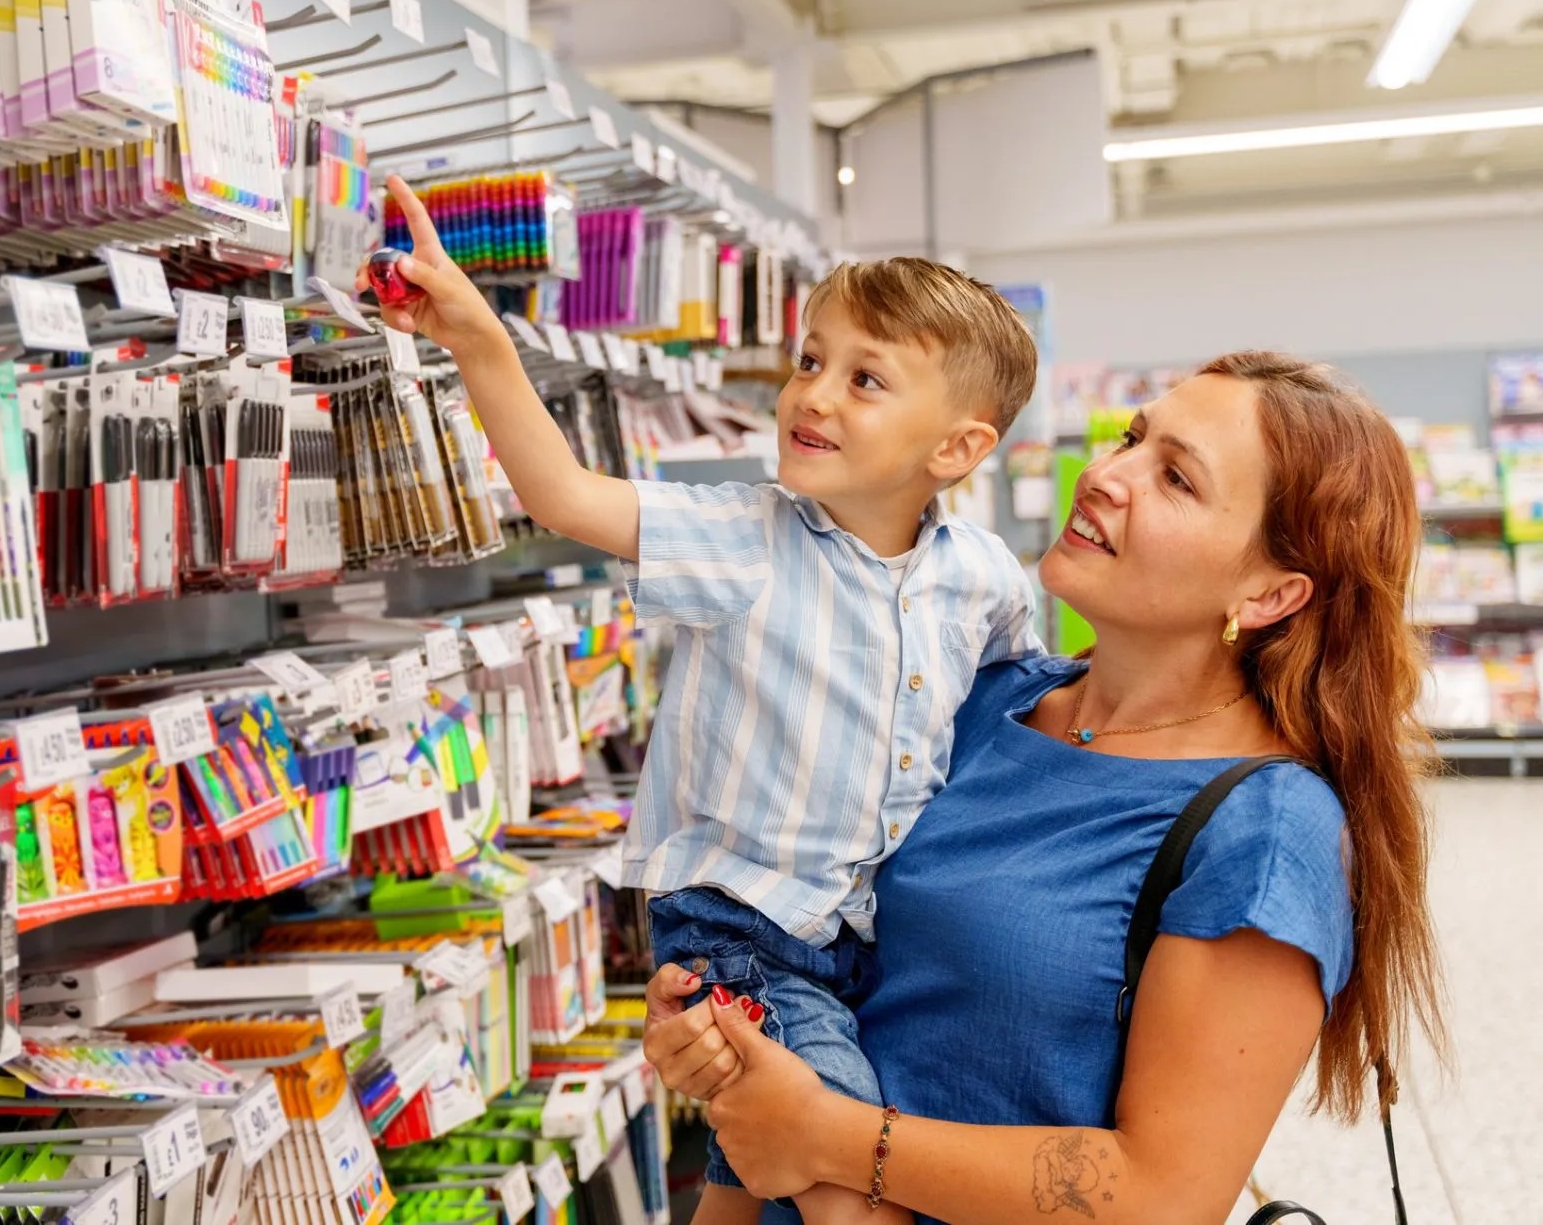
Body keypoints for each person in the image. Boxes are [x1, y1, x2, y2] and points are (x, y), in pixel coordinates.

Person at [361, 176, 1042, 1225]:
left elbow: (1014, 716)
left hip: (871, 931)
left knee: (742, 1176)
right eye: (809, 360)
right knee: (848, 1177)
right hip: (741, 932)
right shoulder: (744, 539)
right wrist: (480, 343)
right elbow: (563, 494)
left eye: (865, 379)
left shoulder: (985, 575)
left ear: (954, 449)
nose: (812, 394)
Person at [641, 352, 1448, 1225]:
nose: (1104, 475)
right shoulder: (983, 695)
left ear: (1269, 593)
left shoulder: (1265, 828)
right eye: (1132, 438)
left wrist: (830, 1135)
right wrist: (722, 1021)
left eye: (1174, 477)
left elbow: (1163, 1195)